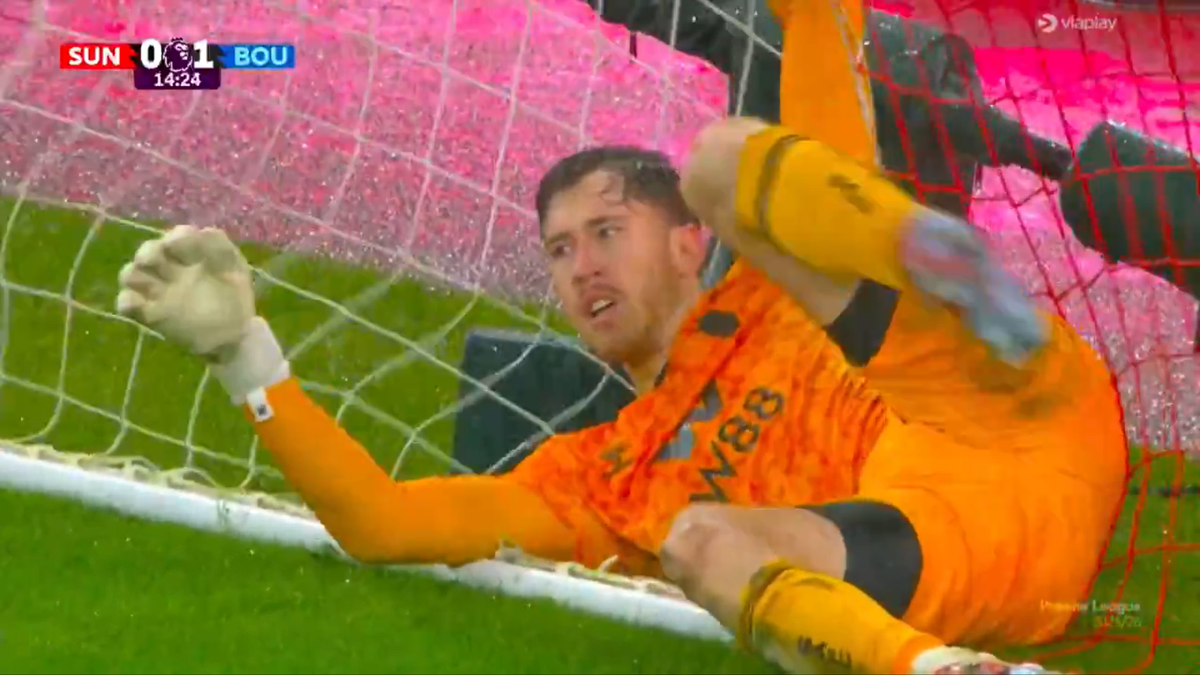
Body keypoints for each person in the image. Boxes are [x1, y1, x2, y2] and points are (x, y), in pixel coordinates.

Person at [111, 1, 1128, 674]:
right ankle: (934, 668)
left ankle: (936, 254)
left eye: (606, 232)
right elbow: (385, 523)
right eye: (559, 252)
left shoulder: (768, 288)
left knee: (729, 161)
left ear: (689, 245)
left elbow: (822, 105)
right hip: (967, 556)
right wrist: (244, 355)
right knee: (699, 542)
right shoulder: (600, 478)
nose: (582, 267)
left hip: (1025, 406)